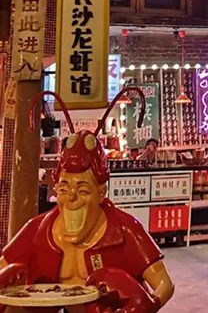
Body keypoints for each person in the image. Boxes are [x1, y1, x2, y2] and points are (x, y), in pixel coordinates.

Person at [0, 130, 174, 313]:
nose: (72, 197)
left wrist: (147, 305)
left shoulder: (126, 228)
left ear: (101, 193)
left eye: (83, 190)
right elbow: (3, 266)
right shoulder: (37, 230)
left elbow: (165, 283)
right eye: (64, 189)